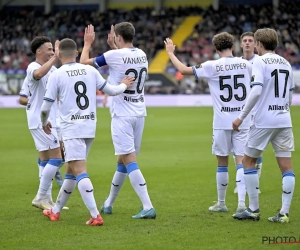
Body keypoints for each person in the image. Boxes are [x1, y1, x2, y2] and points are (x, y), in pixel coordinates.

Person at [41, 38, 134, 225]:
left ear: (59, 55)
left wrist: (44, 122)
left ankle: (95, 215)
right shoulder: (91, 70)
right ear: (76, 53)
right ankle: (56, 211)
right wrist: (124, 84)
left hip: (71, 128)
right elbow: (113, 91)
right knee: (71, 170)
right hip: (89, 127)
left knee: (79, 170)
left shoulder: (56, 75)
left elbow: (45, 108)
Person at [165, 32, 252, 214]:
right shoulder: (246, 64)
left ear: (216, 49)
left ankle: (221, 203)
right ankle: (242, 204)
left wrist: (171, 53)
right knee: (241, 162)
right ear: (233, 46)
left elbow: (184, 71)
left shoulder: (212, 65)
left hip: (222, 121)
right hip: (242, 119)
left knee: (222, 163)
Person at [80, 23, 156, 219]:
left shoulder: (114, 55)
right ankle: (108, 204)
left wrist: (87, 43)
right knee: (122, 160)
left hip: (122, 114)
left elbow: (82, 64)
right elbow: (123, 61)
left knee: (129, 159)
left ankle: (148, 206)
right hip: (139, 112)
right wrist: (115, 46)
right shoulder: (142, 54)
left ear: (119, 37)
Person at [232, 28, 295, 223]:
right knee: (286, 167)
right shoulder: (286, 63)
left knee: (248, 162)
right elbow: (290, 97)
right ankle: (283, 213)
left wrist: (241, 117)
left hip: (264, 120)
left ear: (259, 44)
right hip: (284, 119)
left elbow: (257, 90)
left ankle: (253, 209)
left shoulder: (259, 61)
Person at [26, 36, 63, 210]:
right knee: (57, 157)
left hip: (48, 119)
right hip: (40, 120)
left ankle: (47, 200)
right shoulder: (33, 67)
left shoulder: (53, 69)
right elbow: (39, 75)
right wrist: (55, 58)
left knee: (45, 159)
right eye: (49, 49)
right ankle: (40, 196)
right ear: (38, 51)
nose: (51, 52)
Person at [19, 77, 64, 187]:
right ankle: (45, 186)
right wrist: (35, 102)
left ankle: (54, 168)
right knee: (55, 152)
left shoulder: (54, 73)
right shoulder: (32, 76)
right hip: (43, 118)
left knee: (63, 151)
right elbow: (21, 99)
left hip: (59, 114)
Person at [233, 32, 262, 195]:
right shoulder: (238, 63)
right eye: (245, 41)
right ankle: (242, 182)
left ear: (256, 44)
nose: (248, 43)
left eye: (251, 41)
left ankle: (255, 182)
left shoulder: (259, 62)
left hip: (257, 110)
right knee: (238, 148)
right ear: (241, 44)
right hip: (240, 111)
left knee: (254, 147)